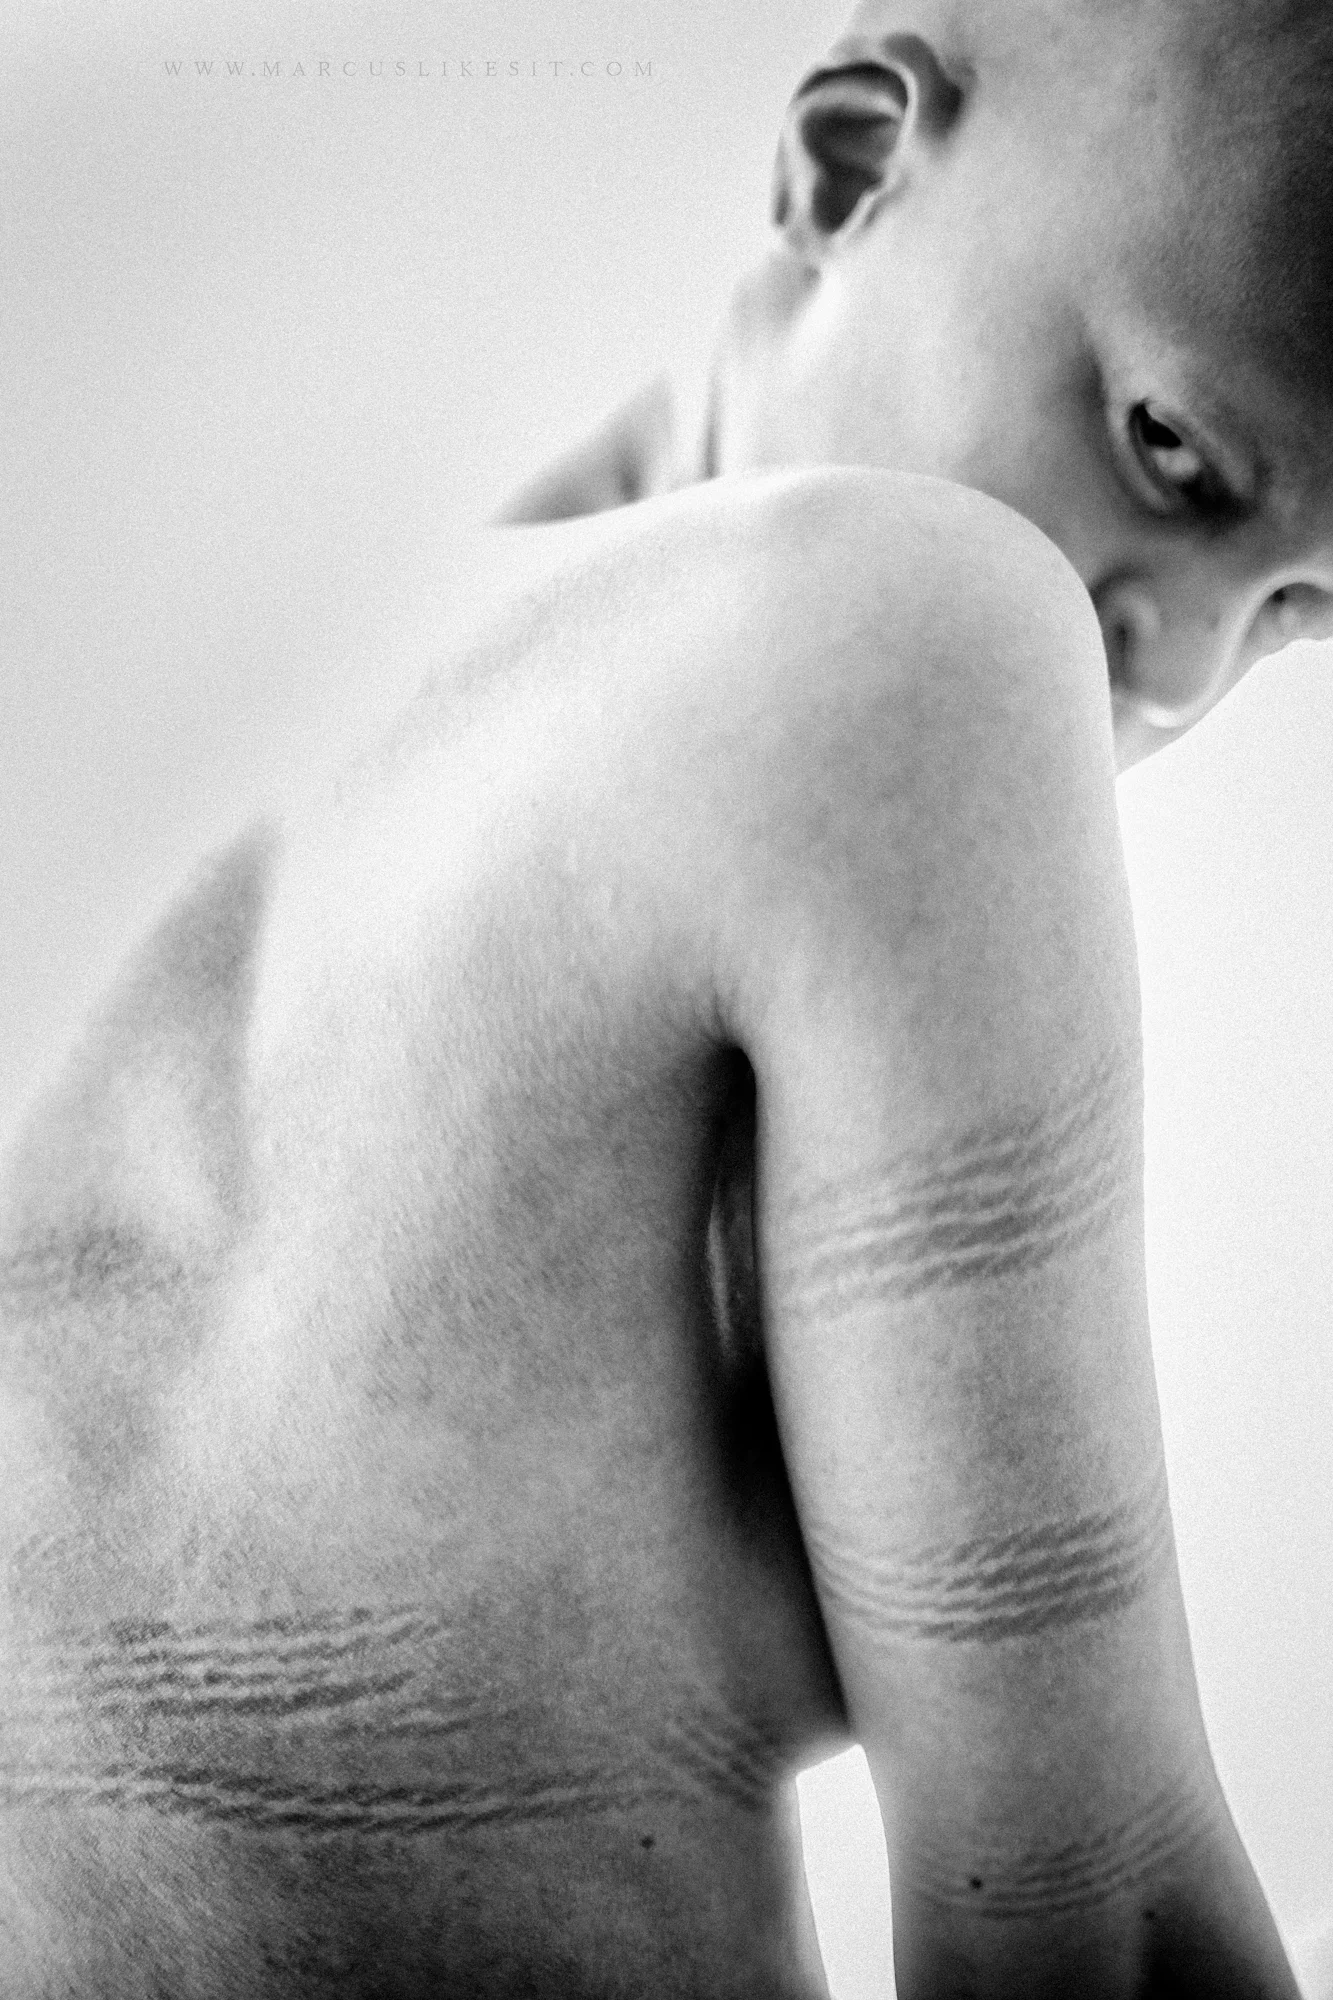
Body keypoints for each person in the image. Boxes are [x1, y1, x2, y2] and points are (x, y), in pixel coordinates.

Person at [2, 0, 1330, 1993]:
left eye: (1303, 609)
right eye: (1172, 452)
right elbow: (1094, 1935)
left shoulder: (194, 751)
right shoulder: (916, 627)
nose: (1185, 658)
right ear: (850, 165)